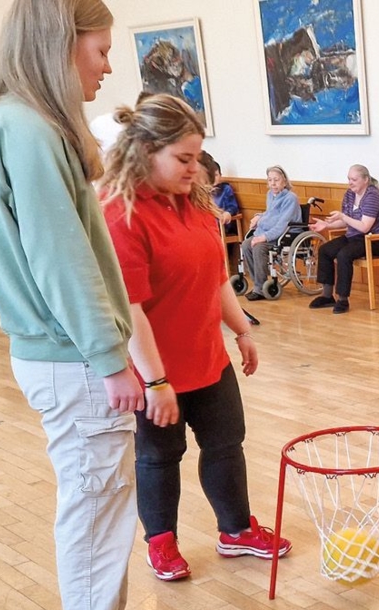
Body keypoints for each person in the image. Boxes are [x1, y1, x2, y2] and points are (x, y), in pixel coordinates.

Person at [0, 0, 179, 610]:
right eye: (99, 51)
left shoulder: (20, 123)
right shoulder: (28, 128)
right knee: (94, 510)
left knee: (106, 504)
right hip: (70, 360)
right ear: (60, 47)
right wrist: (109, 358)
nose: (108, 66)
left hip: (62, 356)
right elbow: (63, 261)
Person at [100, 94, 292, 582]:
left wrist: (242, 331)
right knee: (160, 455)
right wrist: (157, 382)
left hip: (209, 357)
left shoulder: (197, 204)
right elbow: (131, 309)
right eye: (183, 159)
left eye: (197, 157)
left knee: (227, 443)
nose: (194, 168)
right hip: (156, 367)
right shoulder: (121, 214)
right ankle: (161, 541)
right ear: (145, 150)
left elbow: (215, 279)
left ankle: (236, 530)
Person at [308, 164, 379, 314]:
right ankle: (327, 296)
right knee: (325, 250)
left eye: (354, 179)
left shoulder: (373, 196)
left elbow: (365, 227)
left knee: (344, 254)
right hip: (356, 236)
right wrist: (326, 225)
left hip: (377, 240)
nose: (350, 182)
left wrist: (343, 216)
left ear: (365, 180)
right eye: (349, 179)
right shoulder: (349, 194)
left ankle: (342, 299)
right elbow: (345, 222)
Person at [241, 165, 301, 301]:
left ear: (284, 181)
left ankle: (260, 289)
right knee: (246, 245)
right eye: (270, 180)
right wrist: (258, 216)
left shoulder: (290, 198)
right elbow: (270, 214)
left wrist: (263, 237)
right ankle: (259, 284)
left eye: (276, 180)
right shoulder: (271, 195)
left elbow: (282, 224)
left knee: (258, 247)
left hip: (286, 234)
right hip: (270, 232)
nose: (273, 183)